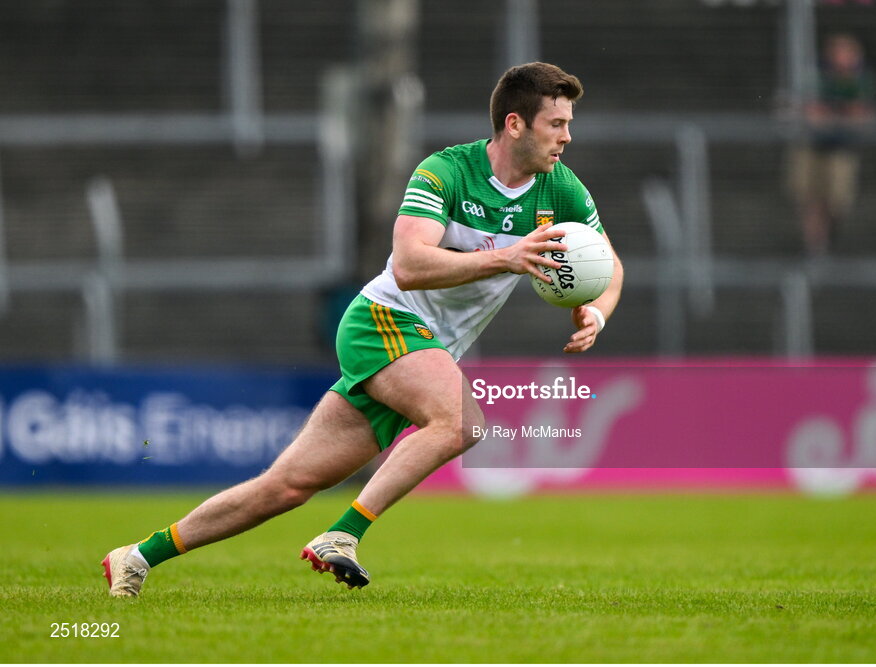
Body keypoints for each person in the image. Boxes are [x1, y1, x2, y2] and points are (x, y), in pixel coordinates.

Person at [102, 62, 624, 597]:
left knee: (285, 487)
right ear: (515, 124)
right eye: (556, 123)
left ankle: (138, 556)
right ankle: (344, 534)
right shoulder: (446, 171)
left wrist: (596, 310)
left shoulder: (561, 189)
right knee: (461, 423)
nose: (567, 136)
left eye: (568, 123)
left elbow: (609, 265)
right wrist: (507, 258)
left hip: (423, 351)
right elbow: (409, 265)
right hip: (384, 321)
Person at [787, 34, 876, 256]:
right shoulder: (817, 75)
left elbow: (861, 116)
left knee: (837, 203)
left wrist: (834, 117)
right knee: (811, 200)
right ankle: (815, 247)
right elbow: (811, 113)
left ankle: (829, 241)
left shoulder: (861, 79)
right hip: (813, 147)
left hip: (841, 150)